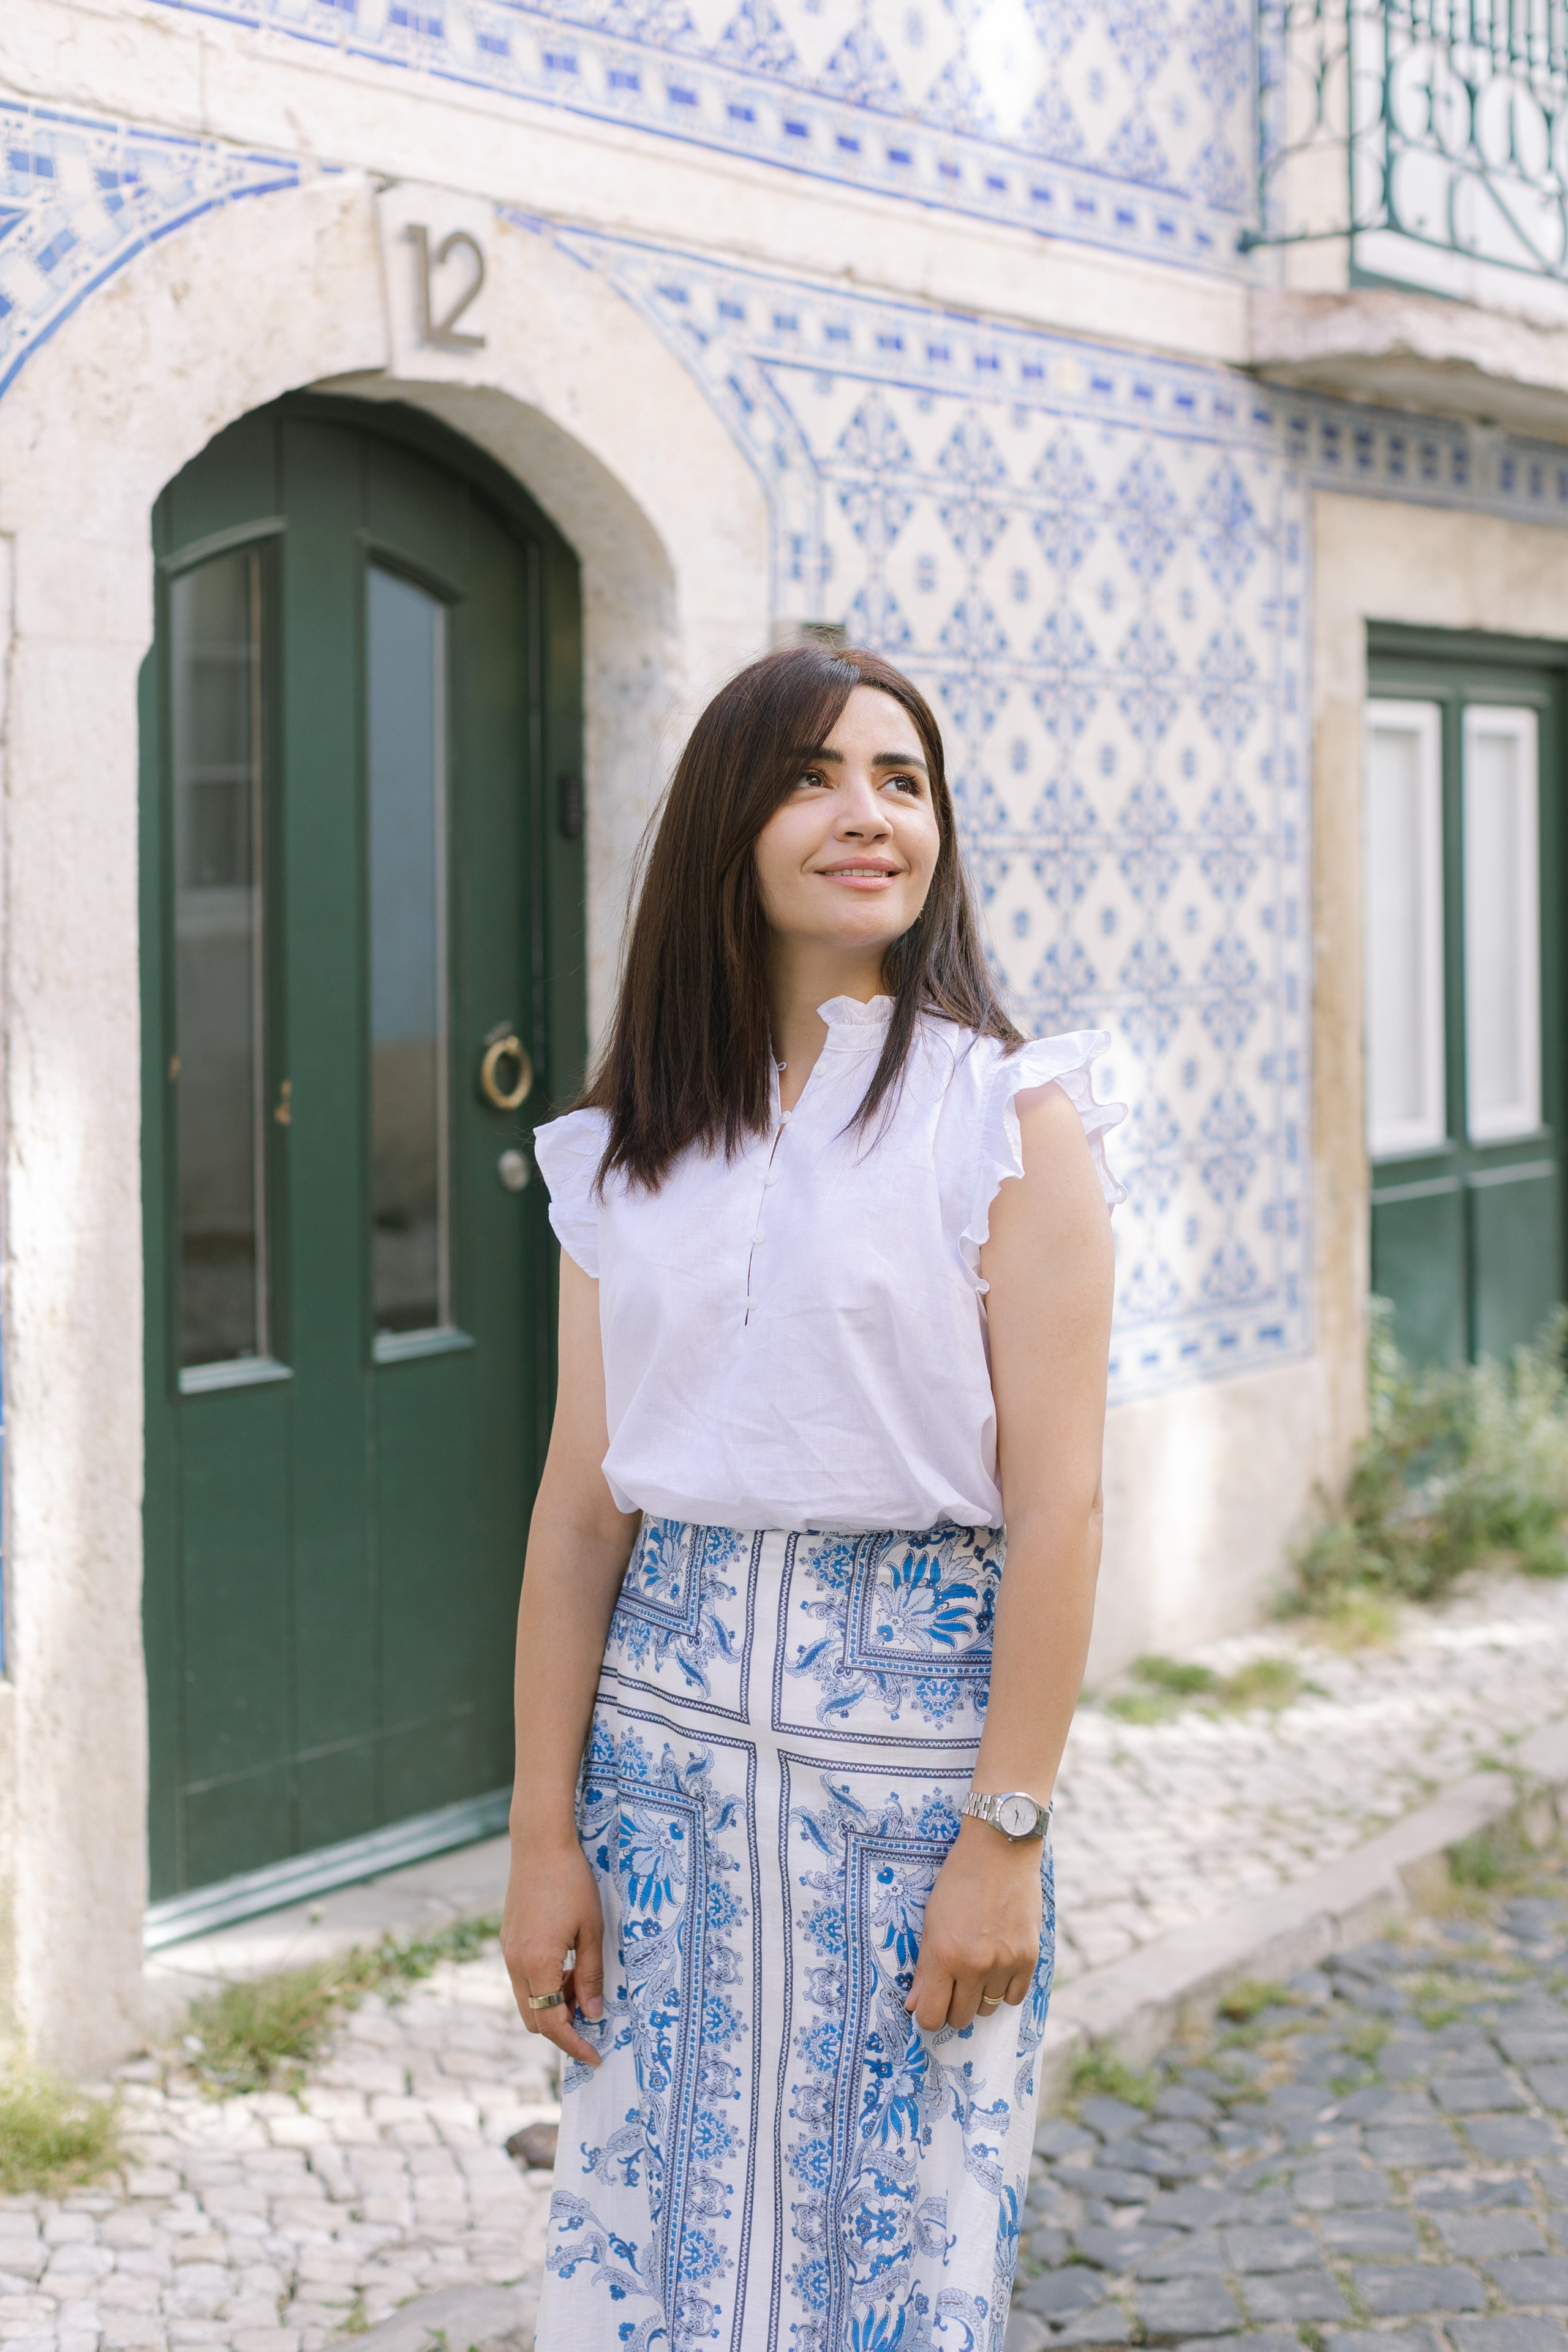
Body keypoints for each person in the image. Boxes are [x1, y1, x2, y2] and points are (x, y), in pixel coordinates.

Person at [503, 642, 1123, 2352]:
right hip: (662, 1784)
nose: (869, 816)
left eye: (903, 781)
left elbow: (1060, 1510)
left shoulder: (1006, 1118)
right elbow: (578, 1518)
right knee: (658, 2259)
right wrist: (543, 1834)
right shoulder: (628, 1144)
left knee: (901, 2269)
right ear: (731, 822)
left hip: (914, 1786)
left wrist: (1007, 1836)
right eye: (817, 776)